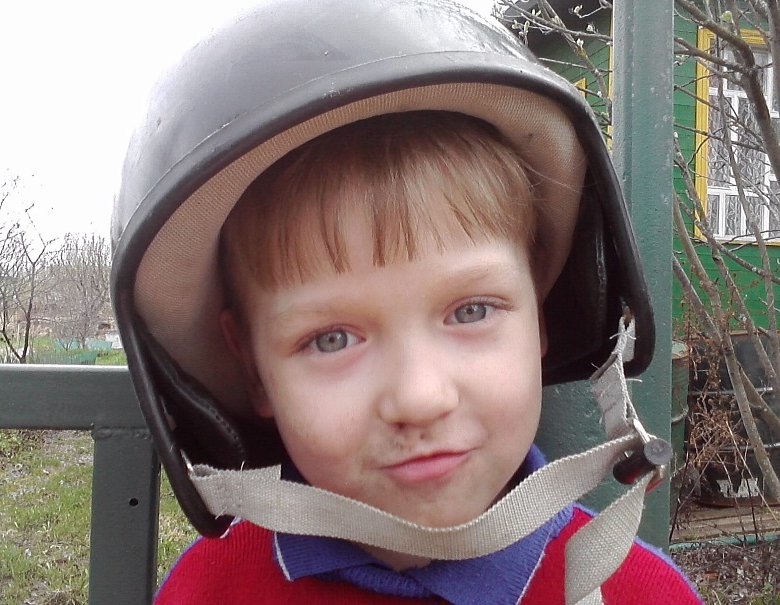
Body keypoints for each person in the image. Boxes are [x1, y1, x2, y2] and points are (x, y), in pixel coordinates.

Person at [110, 1, 703, 603]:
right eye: (331, 339)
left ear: (540, 317)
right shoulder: (213, 590)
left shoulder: (639, 594)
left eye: (471, 311)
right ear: (254, 368)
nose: (420, 399)